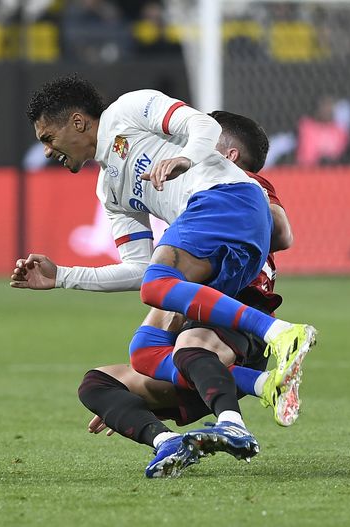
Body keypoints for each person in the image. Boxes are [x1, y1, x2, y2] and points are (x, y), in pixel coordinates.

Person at [18, 75, 316, 463]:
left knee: (163, 294)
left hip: (228, 198)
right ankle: (258, 389)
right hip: (221, 240)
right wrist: (62, 277)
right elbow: (141, 270)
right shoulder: (109, 189)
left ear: (77, 122)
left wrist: (186, 156)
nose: (45, 151)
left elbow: (204, 124)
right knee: (144, 350)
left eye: (48, 137)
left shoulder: (128, 109)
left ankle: (281, 334)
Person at [77, 111, 303, 477]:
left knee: (188, 345)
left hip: (240, 308)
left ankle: (236, 419)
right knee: (100, 384)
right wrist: (124, 407)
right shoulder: (189, 193)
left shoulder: (244, 184)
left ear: (227, 157)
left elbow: (283, 234)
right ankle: (169, 441)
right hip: (201, 340)